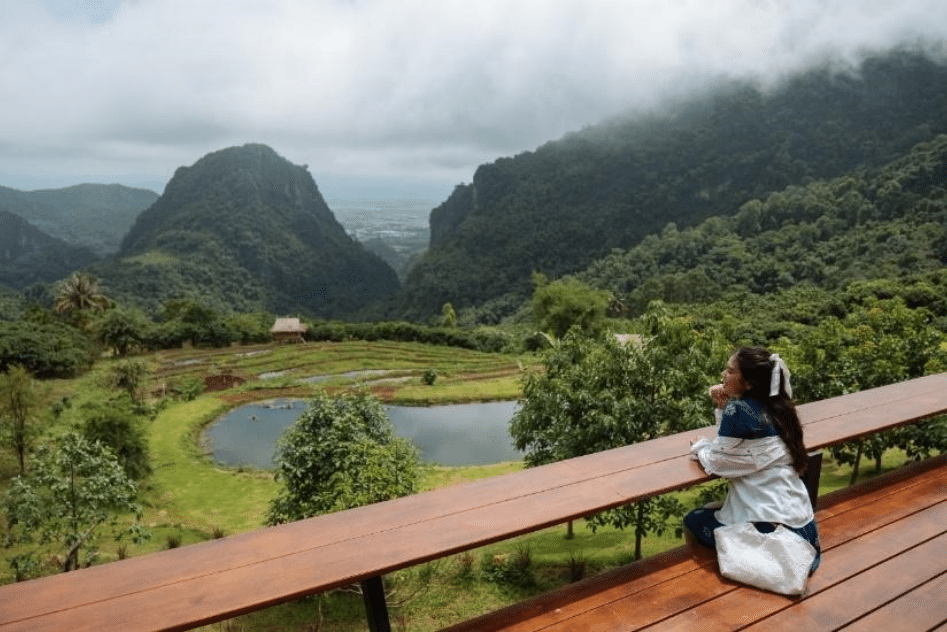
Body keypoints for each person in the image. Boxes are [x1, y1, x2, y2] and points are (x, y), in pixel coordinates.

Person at [684, 346, 821, 574]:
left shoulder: (738, 410)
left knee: (694, 519)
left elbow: (717, 462)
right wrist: (724, 409)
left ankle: (718, 578)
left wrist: (699, 447)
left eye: (730, 371)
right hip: (804, 531)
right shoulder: (781, 407)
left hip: (778, 541)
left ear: (748, 383)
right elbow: (740, 448)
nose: (723, 376)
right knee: (715, 508)